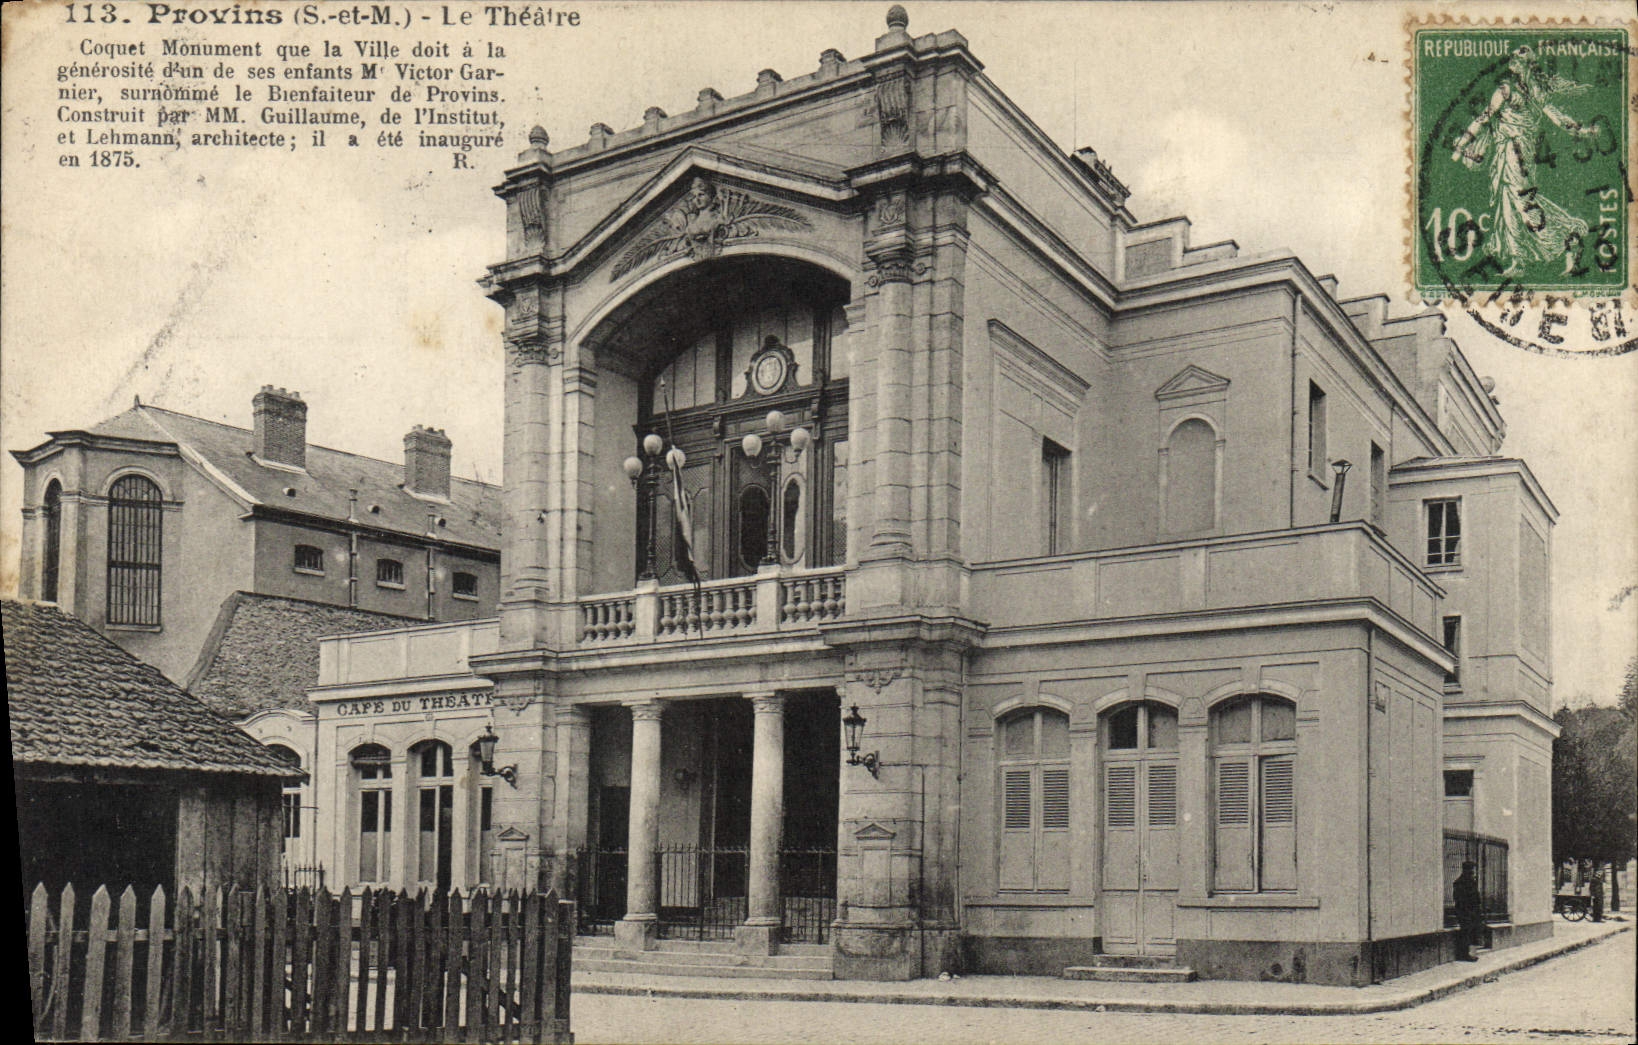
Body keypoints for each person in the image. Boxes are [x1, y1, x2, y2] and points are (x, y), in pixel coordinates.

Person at [1450, 46, 1600, 276]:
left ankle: (1569, 236)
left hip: (1517, 153)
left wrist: (1583, 130)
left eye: (1521, 64)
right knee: (1512, 202)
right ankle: (1519, 260)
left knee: (1520, 202)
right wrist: (1463, 142)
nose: (1518, 68)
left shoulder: (1522, 92)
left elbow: (1556, 118)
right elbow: (1485, 118)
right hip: (1511, 151)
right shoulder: (1518, 92)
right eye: (1518, 64)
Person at [1453, 860, 1483, 961]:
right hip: (1465, 912)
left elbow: (1476, 898)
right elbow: (1459, 899)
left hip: (1472, 912)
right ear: (1466, 870)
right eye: (1471, 870)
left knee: (1471, 933)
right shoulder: (1460, 883)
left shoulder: (1471, 882)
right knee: (1466, 933)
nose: (1473, 872)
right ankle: (1465, 955)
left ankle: (1470, 954)